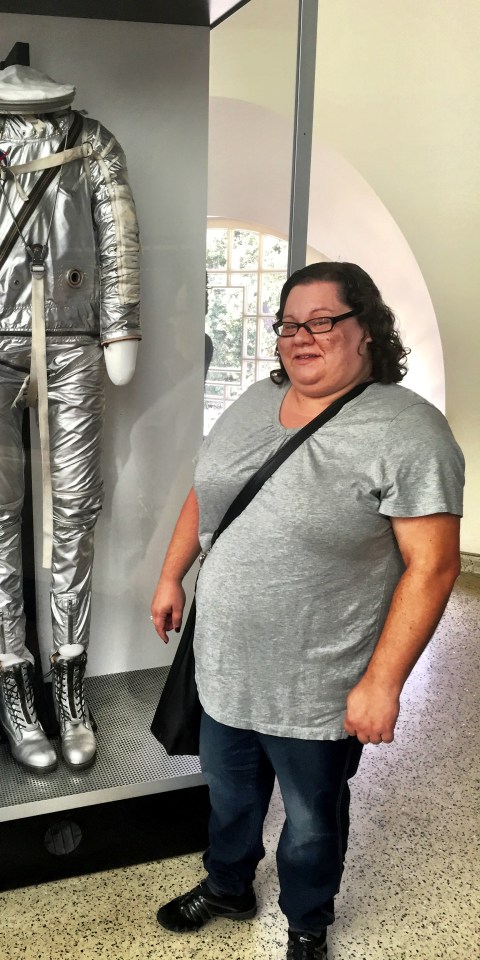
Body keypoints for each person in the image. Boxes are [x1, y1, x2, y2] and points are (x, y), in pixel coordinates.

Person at [150, 262, 464, 960]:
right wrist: (172, 575)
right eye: (289, 323)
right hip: (224, 663)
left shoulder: (409, 430)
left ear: (368, 329)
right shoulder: (254, 401)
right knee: (229, 797)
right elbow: (209, 490)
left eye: (322, 321)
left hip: (319, 682)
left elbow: (434, 566)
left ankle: (306, 924)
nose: (301, 336)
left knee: (312, 820)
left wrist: (383, 683)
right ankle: (228, 886)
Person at [0, 65, 141, 773]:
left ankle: (69, 684)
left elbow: (119, 239)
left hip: (74, 341)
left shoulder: (93, 141)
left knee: (76, 511)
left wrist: (120, 327)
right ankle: (15, 682)